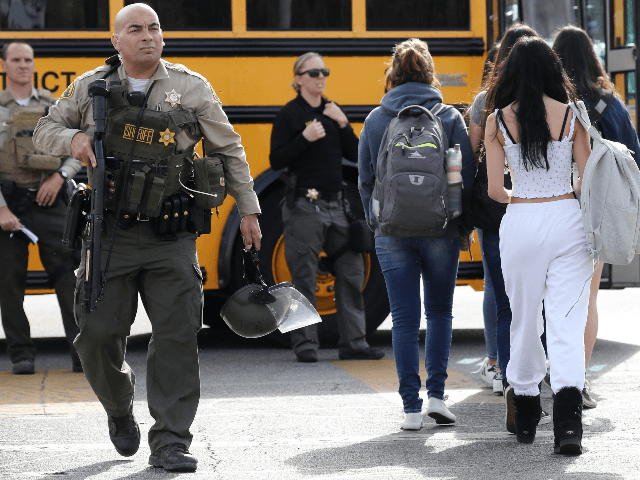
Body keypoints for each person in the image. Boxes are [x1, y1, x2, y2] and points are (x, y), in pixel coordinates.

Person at [33, 3, 262, 472]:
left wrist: (249, 208)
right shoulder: (90, 86)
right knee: (96, 336)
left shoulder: (191, 87)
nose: (147, 36)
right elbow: (44, 130)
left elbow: (229, 148)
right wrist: (73, 141)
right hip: (108, 233)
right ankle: (120, 410)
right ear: (116, 41)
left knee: (178, 335)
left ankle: (171, 440)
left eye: (154, 28)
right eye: (134, 29)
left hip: (169, 236)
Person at [359, 38, 475, 429]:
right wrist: (461, 223)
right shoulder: (449, 118)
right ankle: (437, 398)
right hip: (441, 229)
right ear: (430, 73)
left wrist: (378, 223)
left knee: (404, 319)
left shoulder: (376, 119)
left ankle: (410, 408)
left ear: (392, 73)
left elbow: (365, 180)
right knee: (440, 311)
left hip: (391, 231)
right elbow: (464, 177)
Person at [484, 36, 592, 454]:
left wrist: (527, 197)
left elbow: (496, 190)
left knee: (524, 320)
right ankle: (569, 426)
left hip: (522, 221)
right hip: (568, 219)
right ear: (552, 71)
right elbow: (586, 179)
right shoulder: (572, 115)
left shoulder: (496, 121)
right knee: (567, 321)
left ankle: (526, 414)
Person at [269, 52, 384, 364]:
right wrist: (304, 139)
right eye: (314, 72)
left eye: (324, 71)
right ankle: (305, 345)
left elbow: (355, 153)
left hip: (337, 206)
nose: (321, 77)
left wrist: (344, 122)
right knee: (303, 278)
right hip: (305, 206)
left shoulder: (333, 111)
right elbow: (276, 159)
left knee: (352, 272)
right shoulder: (289, 115)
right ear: (298, 80)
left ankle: (354, 344)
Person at [553, 25, 640, 410]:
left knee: (549, 298)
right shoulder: (609, 103)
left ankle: (545, 374)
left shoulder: (548, 100)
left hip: (550, 206)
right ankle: (578, 380)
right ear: (592, 58)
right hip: (596, 212)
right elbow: (633, 153)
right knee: (587, 298)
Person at [468, 24, 543, 428]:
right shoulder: (545, 100)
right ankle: (532, 371)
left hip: (492, 205)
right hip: (536, 201)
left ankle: (501, 369)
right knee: (534, 292)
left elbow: (474, 153)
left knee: (498, 289)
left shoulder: (485, 100)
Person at [0, 41, 82, 375]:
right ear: (4, 65)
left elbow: (78, 149)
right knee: (9, 281)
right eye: (16, 60)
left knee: (70, 277)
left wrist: (59, 178)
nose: (23, 65)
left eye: (28, 60)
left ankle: (82, 351)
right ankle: (21, 353)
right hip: (11, 204)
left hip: (51, 200)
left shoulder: (54, 106)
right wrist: (2, 210)